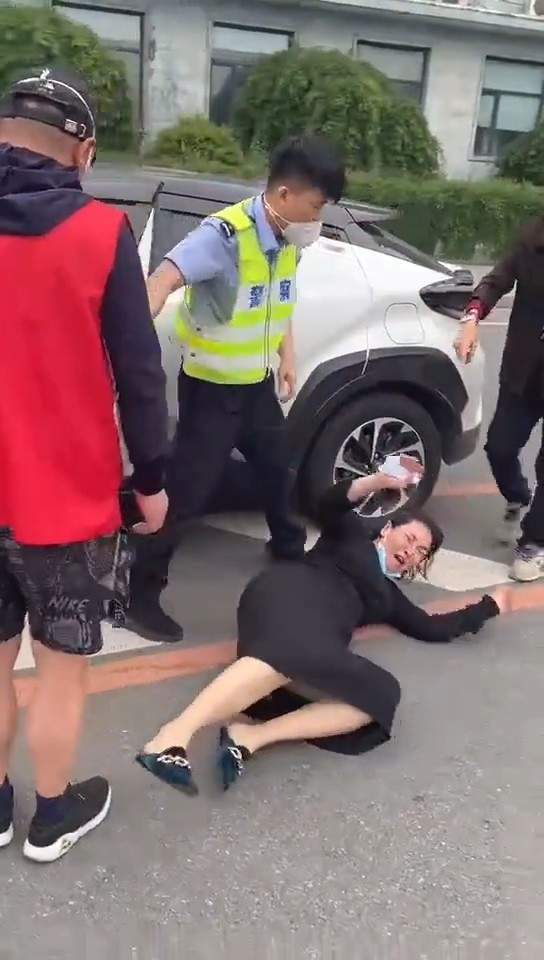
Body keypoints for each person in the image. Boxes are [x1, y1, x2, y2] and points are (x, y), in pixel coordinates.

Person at [0, 68, 169, 862]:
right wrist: (152, 479)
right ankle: (52, 814)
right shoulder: (102, 232)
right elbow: (139, 372)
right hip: (64, 504)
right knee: (61, 669)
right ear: (84, 152)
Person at [136, 465, 507, 795]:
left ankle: (250, 736)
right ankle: (172, 737)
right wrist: (375, 482)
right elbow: (331, 503)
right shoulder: (352, 535)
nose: (412, 553)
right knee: (293, 647)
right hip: (287, 595)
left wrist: (488, 607)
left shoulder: (391, 597)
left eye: (421, 553)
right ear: (387, 529)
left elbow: (431, 627)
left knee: (382, 695)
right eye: (410, 540)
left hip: (319, 639)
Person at [125, 135, 347, 644]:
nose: (318, 219)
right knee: (186, 494)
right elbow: (162, 281)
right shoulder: (224, 236)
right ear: (285, 194)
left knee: (278, 466)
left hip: (255, 384)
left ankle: (288, 547)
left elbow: (277, 303)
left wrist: (286, 356)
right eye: (316, 206)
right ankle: (138, 594)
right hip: (212, 391)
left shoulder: (287, 238)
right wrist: (131, 342)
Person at [455, 222, 544, 581]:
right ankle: (517, 495)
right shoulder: (531, 241)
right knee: (500, 447)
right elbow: (495, 281)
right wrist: (472, 318)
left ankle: (534, 543)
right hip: (524, 373)